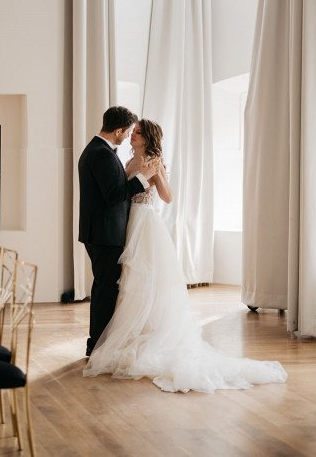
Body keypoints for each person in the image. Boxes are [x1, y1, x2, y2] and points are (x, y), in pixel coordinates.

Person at [83, 119, 288, 393]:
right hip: (128, 226)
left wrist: (154, 175)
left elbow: (167, 197)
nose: (133, 135)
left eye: (138, 132)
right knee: (127, 285)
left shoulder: (154, 161)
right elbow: (120, 193)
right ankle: (128, 337)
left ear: (148, 138)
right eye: (132, 131)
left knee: (146, 282)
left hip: (146, 225)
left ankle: (149, 338)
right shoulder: (129, 162)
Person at [78, 107, 160, 357]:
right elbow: (114, 195)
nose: (127, 137)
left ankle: (99, 343)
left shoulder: (97, 150)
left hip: (101, 232)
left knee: (104, 288)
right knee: (106, 291)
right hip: (105, 234)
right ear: (118, 131)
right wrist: (143, 178)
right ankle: (99, 346)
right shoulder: (102, 154)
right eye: (127, 132)